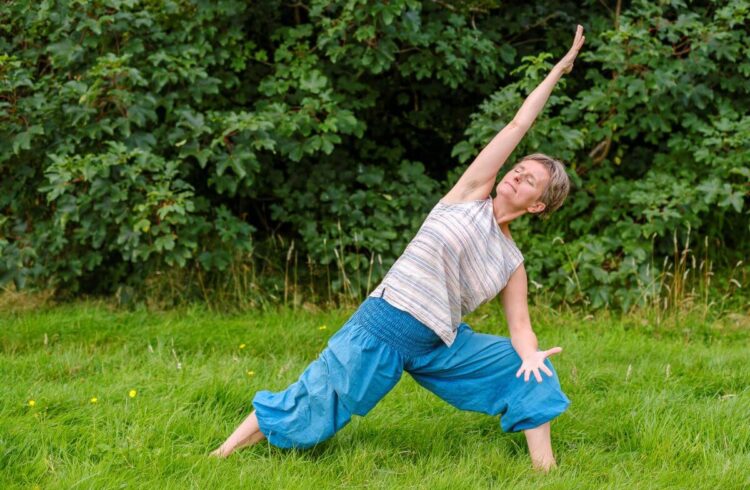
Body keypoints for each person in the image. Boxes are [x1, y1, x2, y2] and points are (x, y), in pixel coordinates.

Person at [211, 25, 586, 472]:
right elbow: (517, 124)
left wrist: (529, 354)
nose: (517, 175)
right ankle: (220, 457)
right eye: (520, 168)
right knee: (315, 400)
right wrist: (558, 70)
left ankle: (546, 470)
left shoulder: (512, 262)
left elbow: (520, 326)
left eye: (530, 180)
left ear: (538, 205)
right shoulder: (468, 195)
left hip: (439, 345)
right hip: (383, 327)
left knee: (528, 368)